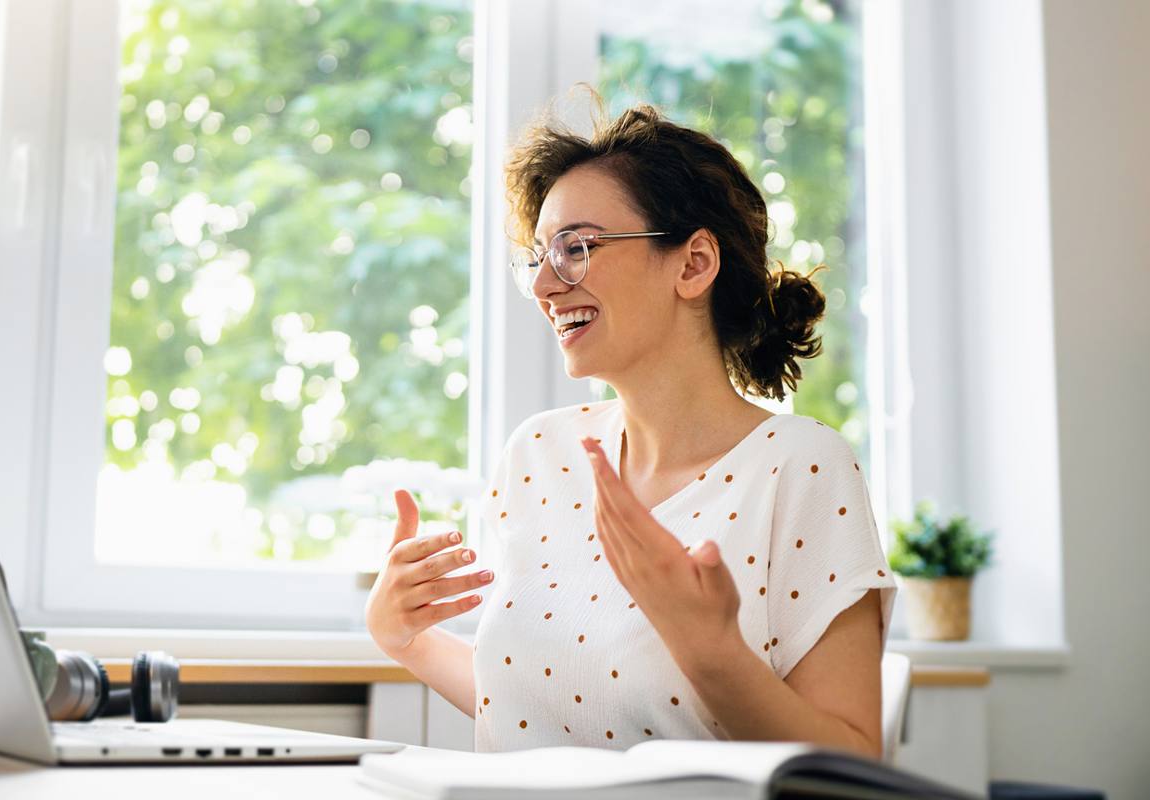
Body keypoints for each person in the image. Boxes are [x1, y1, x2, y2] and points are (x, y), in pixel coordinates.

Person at [364, 103, 897, 757]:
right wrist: (406, 639)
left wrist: (712, 651)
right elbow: (551, 707)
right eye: (537, 257)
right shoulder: (538, 456)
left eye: (577, 248)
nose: (541, 284)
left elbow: (854, 767)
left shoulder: (801, 465)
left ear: (694, 264)